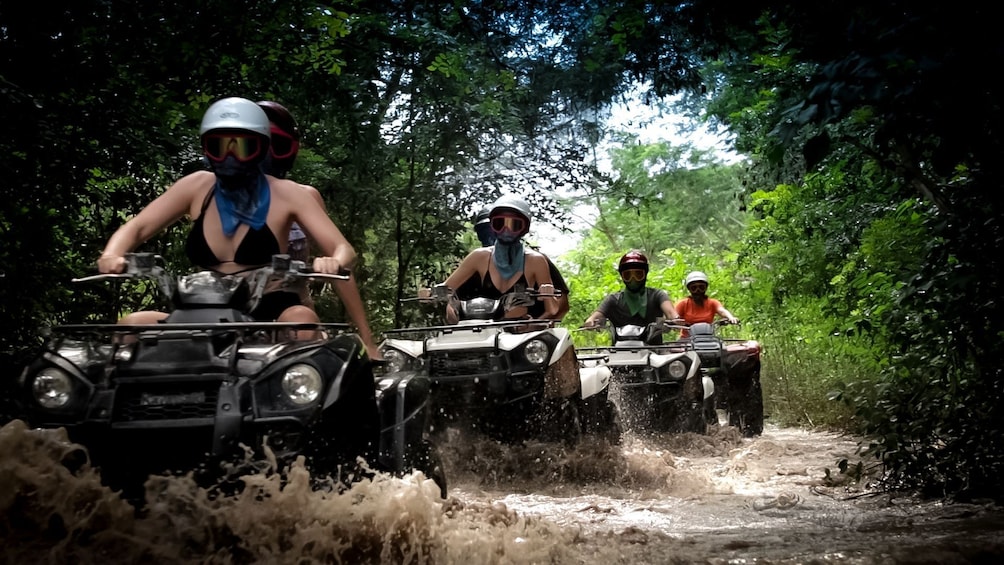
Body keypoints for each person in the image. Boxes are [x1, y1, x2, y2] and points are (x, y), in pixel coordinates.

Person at [97, 96, 366, 347]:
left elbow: (342, 248)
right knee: (130, 326)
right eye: (220, 146)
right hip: (203, 303)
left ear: (261, 148)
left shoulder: (290, 193)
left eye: (243, 146)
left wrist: (333, 261)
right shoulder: (196, 186)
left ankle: (301, 392)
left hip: (269, 303)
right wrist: (113, 253)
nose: (230, 156)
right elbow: (137, 226)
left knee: (301, 321)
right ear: (206, 148)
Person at [256, 100, 380, 358]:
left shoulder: (302, 197)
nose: (264, 154)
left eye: (274, 144)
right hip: (227, 309)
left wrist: (367, 338)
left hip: (291, 311)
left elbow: (341, 257)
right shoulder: (213, 194)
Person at [441, 195, 557, 323]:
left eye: (514, 224)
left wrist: (534, 323)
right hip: (478, 329)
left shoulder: (535, 261)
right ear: (492, 226)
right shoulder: (478, 257)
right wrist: (429, 293)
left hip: (520, 335)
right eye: (499, 223)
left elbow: (552, 309)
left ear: (524, 228)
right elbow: (445, 288)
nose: (506, 230)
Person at [469, 205, 570, 321]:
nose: (491, 237)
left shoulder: (534, 260)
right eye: (483, 232)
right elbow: (452, 303)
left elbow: (562, 304)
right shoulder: (475, 265)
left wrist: (535, 325)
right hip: (484, 334)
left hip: (532, 335)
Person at [582, 250, 681, 344]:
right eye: (628, 275)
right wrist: (591, 322)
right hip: (619, 353)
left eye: (638, 274)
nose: (633, 279)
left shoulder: (657, 295)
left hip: (655, 353)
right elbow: (596, 316)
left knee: (678, 362)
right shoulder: (613, 299)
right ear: (622, 276)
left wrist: (675, 319)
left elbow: (670, 311)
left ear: (645, 274)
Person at [675, 270, 739, 338]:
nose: (698, 290)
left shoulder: (712, 303)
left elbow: (722, 311)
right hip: (686, 339)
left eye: (701, 287)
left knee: (720, 347)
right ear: (689, 289)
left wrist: (731, 318)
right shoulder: (683, 304)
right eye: (694, 288)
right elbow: (673, 316)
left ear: (706, 288)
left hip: (708, 338)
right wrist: (675, 322)